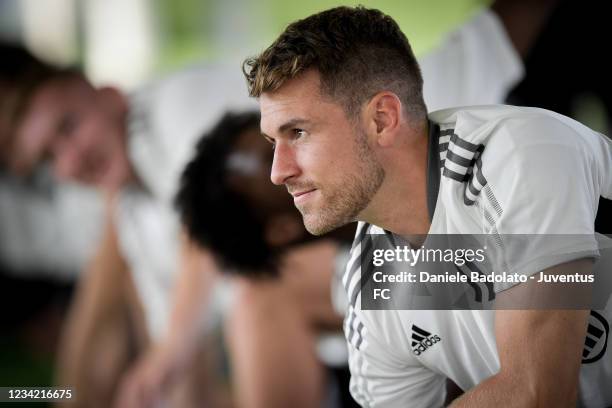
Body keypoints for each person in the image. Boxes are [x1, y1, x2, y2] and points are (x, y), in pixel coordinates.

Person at [243, 6, 612, 407]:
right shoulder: (369, 286)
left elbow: (538, 394)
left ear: (382, 119)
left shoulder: (523, 154)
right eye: (272, 144)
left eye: (297, 132)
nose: (278, 173)